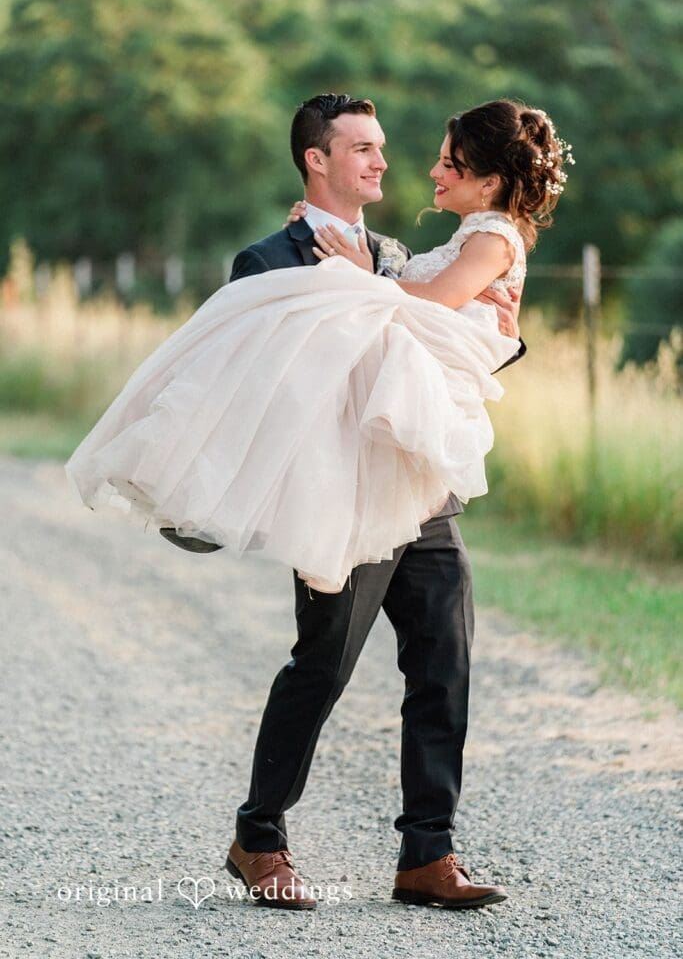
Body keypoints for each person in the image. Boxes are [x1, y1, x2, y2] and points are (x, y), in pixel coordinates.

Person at [65, 93, 571, 911]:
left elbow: (452, 347)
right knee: (322, 666)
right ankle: (258, 839)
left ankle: (426, 857)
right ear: (317, 159)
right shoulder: (267, 263)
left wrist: (502, 340)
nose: (383, 162)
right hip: (338, 499)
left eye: (382, 147)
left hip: (422, 489)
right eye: (363, 149)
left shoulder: (404, 252)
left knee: (444, 664)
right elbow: (241, 388)